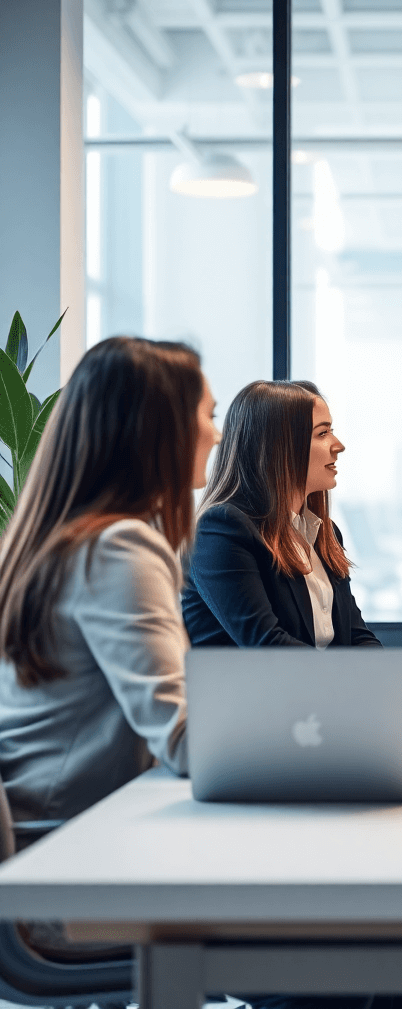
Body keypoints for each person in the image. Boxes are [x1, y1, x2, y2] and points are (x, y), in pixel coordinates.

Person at [0, 337, 217, 962]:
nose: (215, 432)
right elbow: (184, 740)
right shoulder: (118, 549)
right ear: (160, 430)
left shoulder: (61, 542)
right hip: (75, 871)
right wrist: (333, 752)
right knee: (360, 934)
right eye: (207, 414)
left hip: (61, 850)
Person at [182, 381, 402, 710]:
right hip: (247, 721)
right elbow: (268, 646)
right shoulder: (222, 528)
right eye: (323, 433)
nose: (338, 445)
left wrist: (393, 676)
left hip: (312, 716)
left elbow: (356, 635)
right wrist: (380, 684)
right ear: (279, 446)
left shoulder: (323, 532)